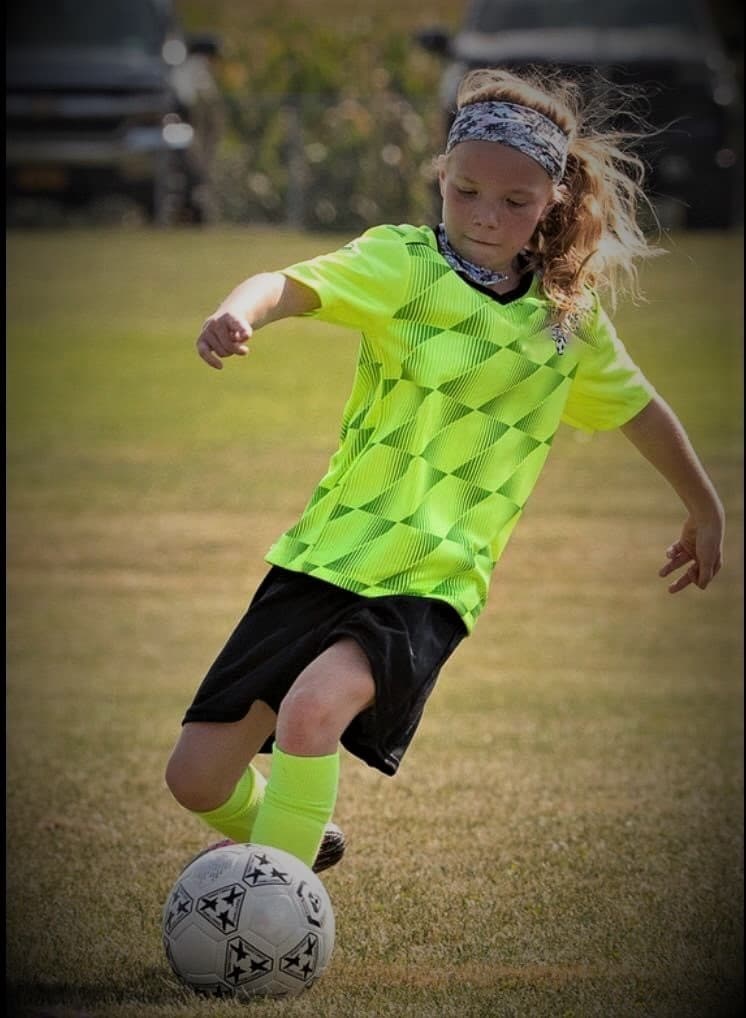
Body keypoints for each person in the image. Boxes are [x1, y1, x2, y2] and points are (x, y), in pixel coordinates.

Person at [165, 67, 725, 875]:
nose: (485, 218)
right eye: (466, 193)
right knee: (196, 778)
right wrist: (236, 313)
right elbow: (286, 285)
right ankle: (300, 836)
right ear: (442, 178)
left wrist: (704, 508)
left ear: (553, 204)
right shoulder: (402, 264)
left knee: (312, 714)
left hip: (433, 580)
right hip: (327, 555)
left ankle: (273, 906)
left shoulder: (565, 325)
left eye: (514, 203)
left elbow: (641, 410)